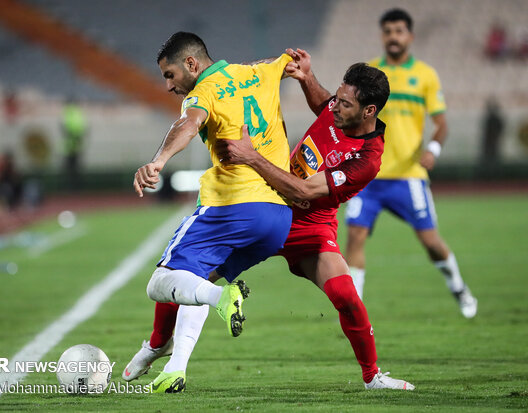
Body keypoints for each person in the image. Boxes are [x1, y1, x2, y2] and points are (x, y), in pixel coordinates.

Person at [125, 56, 414, 393]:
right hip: (272, 206)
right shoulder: (337, 108)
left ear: (369, 112)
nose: (334, 107)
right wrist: (307, 78)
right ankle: (158, 344)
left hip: (311, 225)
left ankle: (372, 377)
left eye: (345, 103)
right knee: (190, 272)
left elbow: (304, 190)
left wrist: (252, 157)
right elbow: (322, 103)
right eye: (337, 97)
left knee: (345, 295)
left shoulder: (367, 159)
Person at [131, 32, 294, 388]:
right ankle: (173, 367)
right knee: (193, 280)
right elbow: (289, 62)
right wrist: (303, 72)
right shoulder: (258, 72)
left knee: (160, 282)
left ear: (191, 64)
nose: (169, 86)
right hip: (278, 218)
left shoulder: (201, 93)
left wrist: (157, 161)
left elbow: (187, 125)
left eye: (170, 75)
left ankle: (223, 299)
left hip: (234, 205)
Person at [344, 8, 478, 318]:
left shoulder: (426, 75)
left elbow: (441, 123)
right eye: (388, 31)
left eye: (399, 31)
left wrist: (433, 148)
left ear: (410, 36)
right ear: (382, 36)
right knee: (355, 236)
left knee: (431, 242)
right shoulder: (369, 76)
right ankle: (354, 312)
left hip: (409, 176)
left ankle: (458, 286)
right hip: (367, 175)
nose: (393, 36)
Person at [61, 98, 87, 190]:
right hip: (75, 145)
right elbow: (82, 130)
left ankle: (71, 188)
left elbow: (66, 129)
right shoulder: (77, 113)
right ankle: (76, 188)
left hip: (70, 146)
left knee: (70, 169)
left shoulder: (69, 113)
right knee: (75, 169)